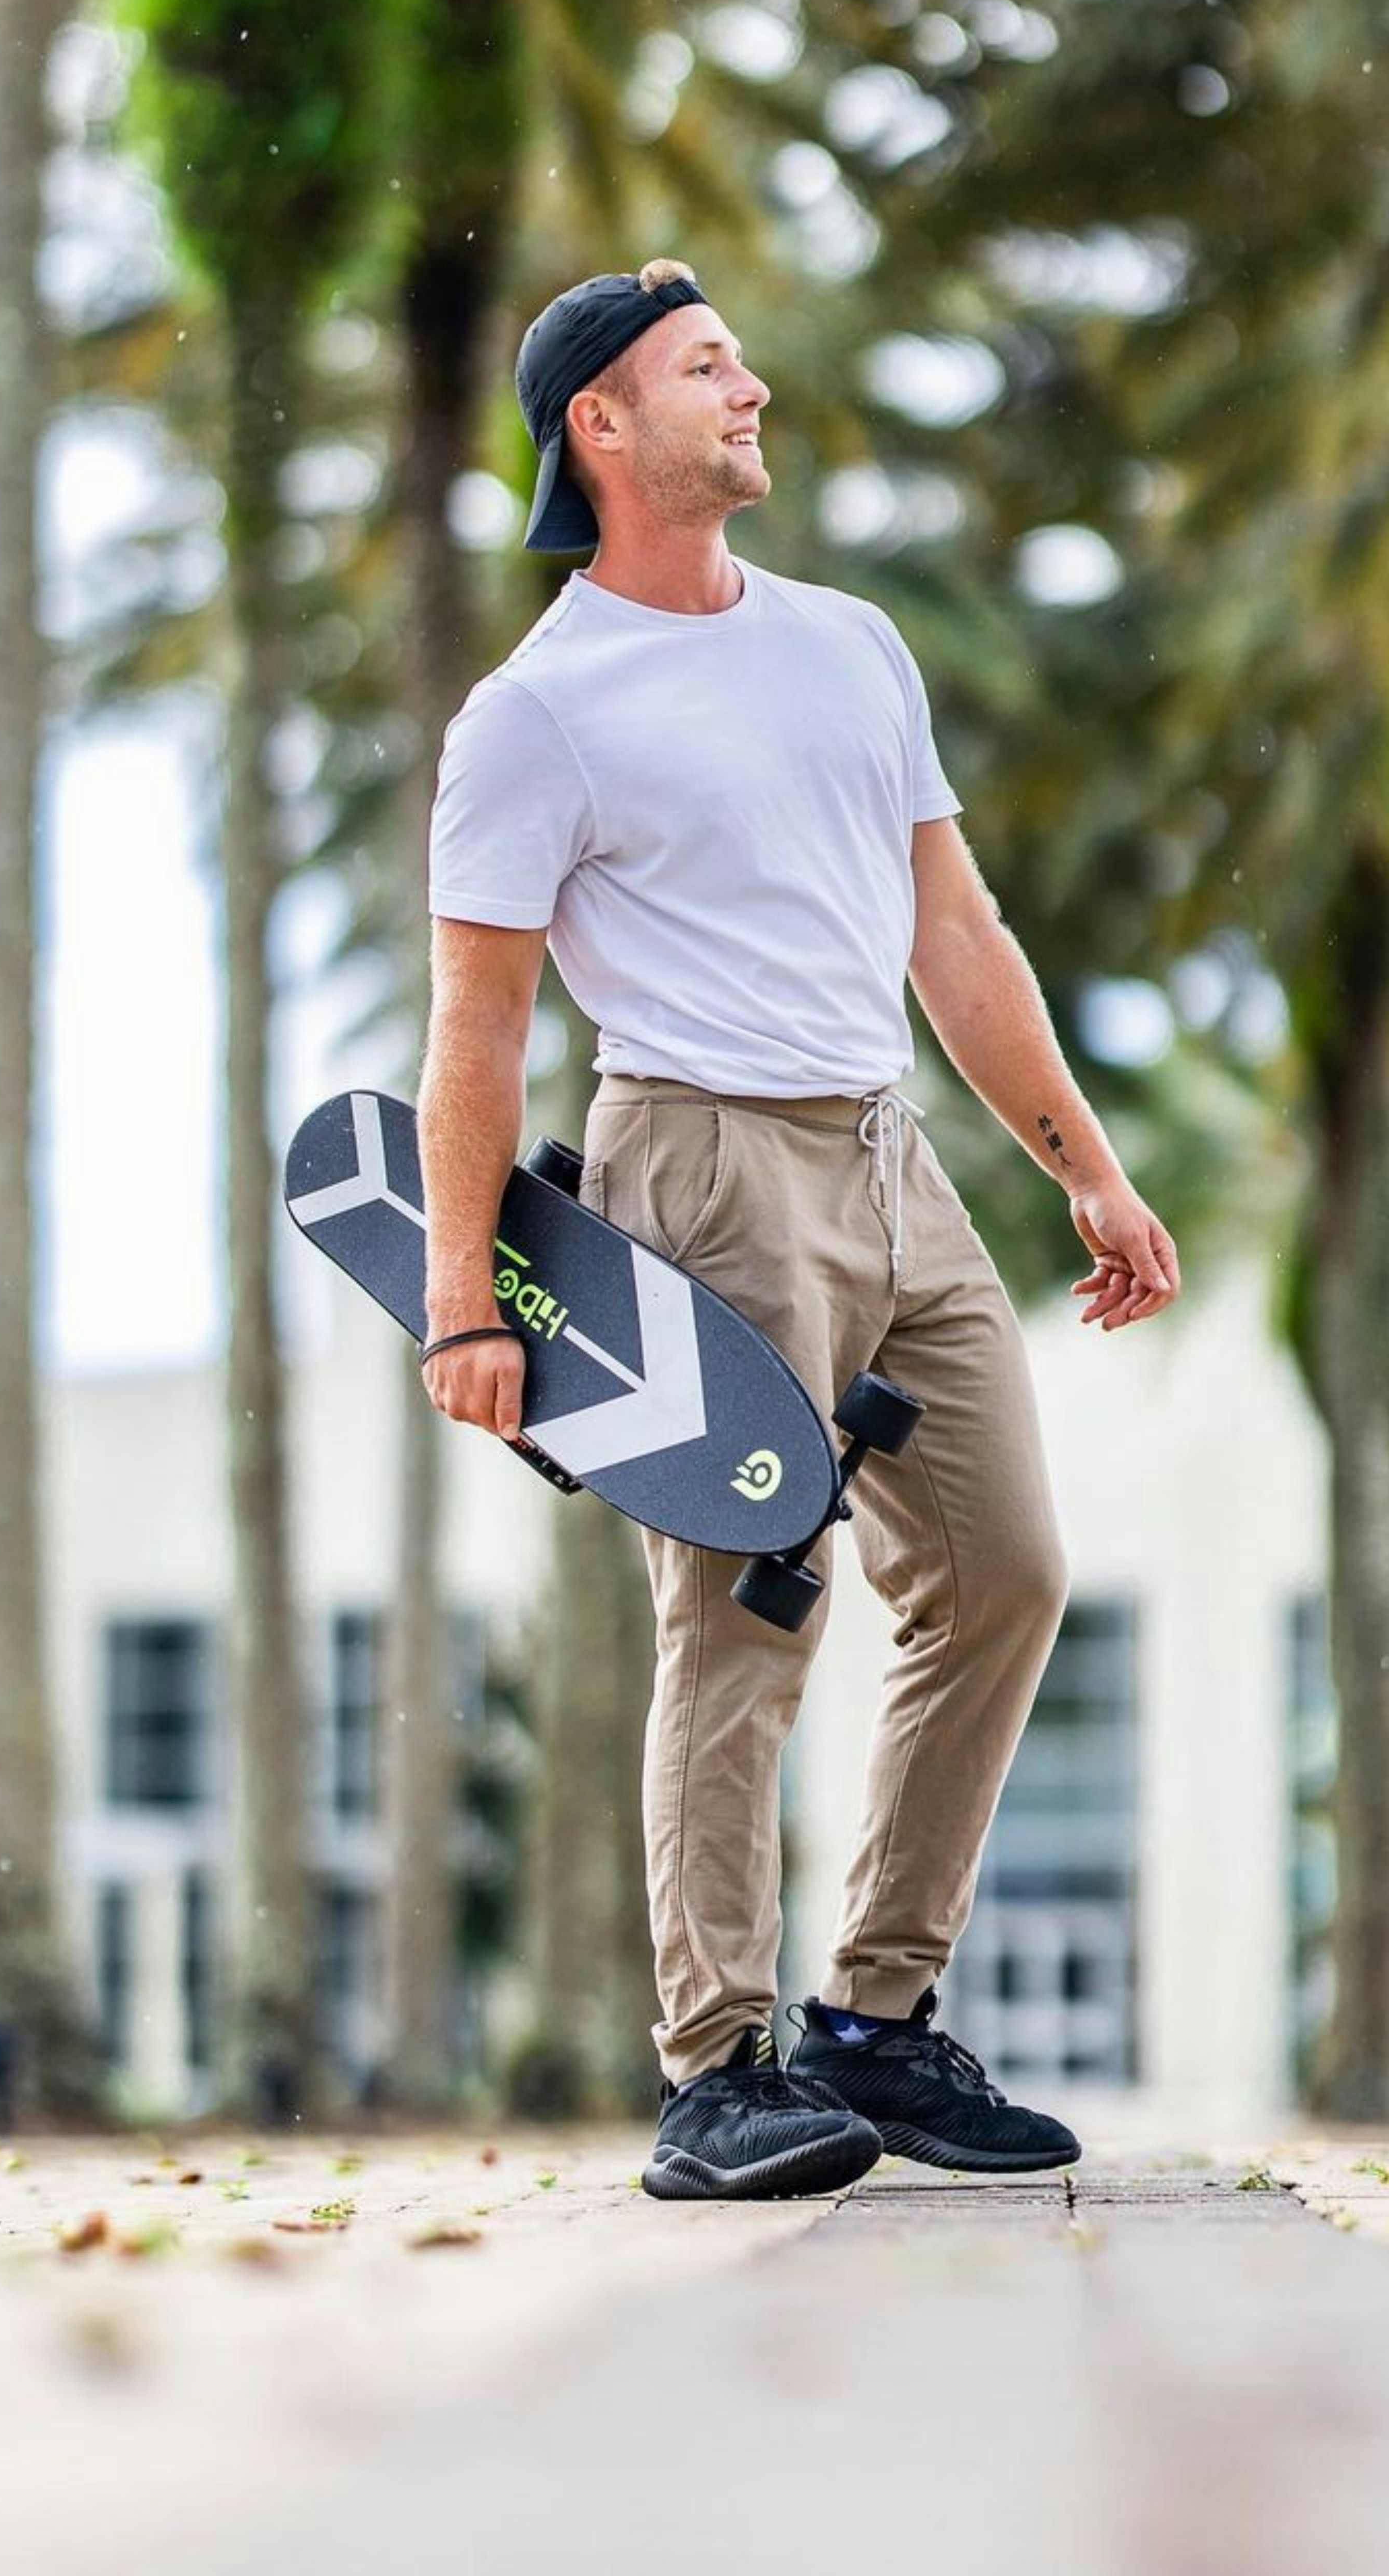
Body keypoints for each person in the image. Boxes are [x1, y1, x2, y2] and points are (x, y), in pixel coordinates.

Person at [421, 258, 1180, 2201]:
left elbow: (957, 934)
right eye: (704, 368)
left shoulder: (848, 646)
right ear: (603, 425)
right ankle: (713, 2066)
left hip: (892, 1156)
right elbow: (479, 1032)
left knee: (1003, 1570)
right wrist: (461, 1303)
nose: (749, 388)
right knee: (751, 1611)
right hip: (699, 1161)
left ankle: (876, 2022)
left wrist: (1082, 1164)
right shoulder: (537, 716)